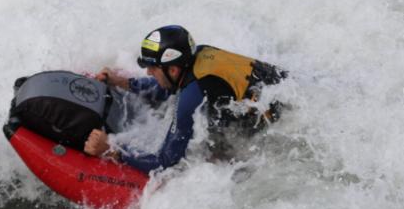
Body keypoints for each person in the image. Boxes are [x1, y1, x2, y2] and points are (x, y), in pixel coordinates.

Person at [83, 25, 286, 173]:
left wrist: (113, 150)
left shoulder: (190, 100)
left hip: (281, 125)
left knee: (215, 159)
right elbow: (166, 87)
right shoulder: (199, 54)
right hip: (286, 91)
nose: (148, 72)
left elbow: (165, 161)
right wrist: (124, 82)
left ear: (173, 69)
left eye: (152, 68)